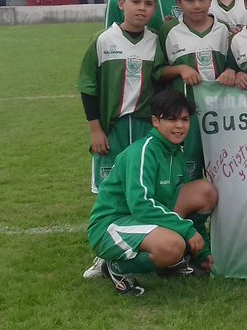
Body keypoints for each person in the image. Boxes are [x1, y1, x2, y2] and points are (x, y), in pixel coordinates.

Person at [85, 89, 219, 296]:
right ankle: (114, 266)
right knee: (173, 245)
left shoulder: (176, 153)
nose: (179, 126)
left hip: (141, 219)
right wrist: (186, 230)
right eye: (171, 119)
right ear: (155, 121)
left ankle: (181, 258)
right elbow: (141, 204)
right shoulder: (143, 151)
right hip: (112, 225)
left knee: (204, 191)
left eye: (184, 119)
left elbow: (181, 207)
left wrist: (202, 252)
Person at [78, 0, 163, 195]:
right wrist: (95, 130)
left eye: (148, 4)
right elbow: (88, 87)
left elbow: (162, 83)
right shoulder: (103, 40)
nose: (142, 8)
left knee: (145, 186)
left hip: (146, 127)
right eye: (136, 1)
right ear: (121, 4)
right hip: (111, 129)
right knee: (109, 190)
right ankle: (106, 228)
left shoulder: (156, 42)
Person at [158, 0, 234, 180]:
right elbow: (157, 71)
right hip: (184, 117)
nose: (197, 5)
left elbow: (234, 65)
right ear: (178, 2)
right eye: (189, 0)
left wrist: (230, 71)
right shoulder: (169, 30)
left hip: (220, 115)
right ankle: (188, 213)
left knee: (223, 173)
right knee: (187, 174)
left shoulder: (223, 29)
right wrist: (180, 69)